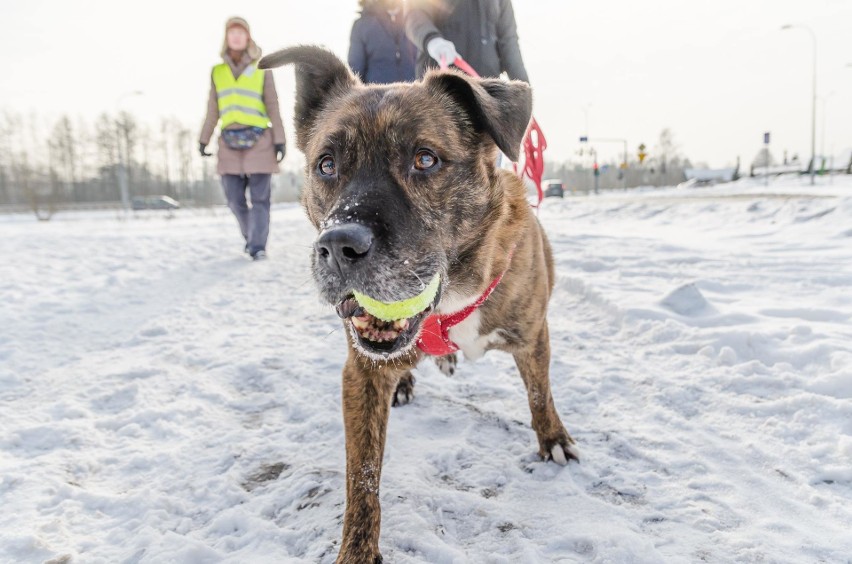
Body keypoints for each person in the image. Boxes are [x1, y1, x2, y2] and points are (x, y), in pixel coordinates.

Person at [199, 16, 286, 261]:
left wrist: (280, 140)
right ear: (226, 38)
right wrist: (203, 139)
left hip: (260, 140)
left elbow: (273, 105)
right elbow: (212, 109)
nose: (236, 36)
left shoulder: (262, 68)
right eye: (232, 32)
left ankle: (258, 246)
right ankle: (251, 236)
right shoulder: (217, 72)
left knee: (260, 198)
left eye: (241, 32)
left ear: (248, 36)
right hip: (228, 141)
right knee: (234, 198)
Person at [404, 0, 529, 82]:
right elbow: (415, 16)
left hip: (485, 92)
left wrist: (524, 91)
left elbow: (509, 42)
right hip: (441, 87)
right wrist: (432, 41)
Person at [348, 0, 417, 84]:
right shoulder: (362, 25)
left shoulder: (418, 20)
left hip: (413, 93)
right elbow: (355, 71)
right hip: (376, 95)